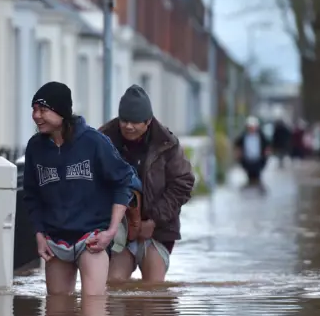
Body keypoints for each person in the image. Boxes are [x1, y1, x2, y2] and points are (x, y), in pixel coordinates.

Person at [22, 81, 141, 296]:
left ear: (61, 112)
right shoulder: (35, 148)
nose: (36, 115)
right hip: (55, 242)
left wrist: (111, 232)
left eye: (42, 110)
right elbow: (31, 195)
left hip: (92, 239)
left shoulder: (94, 142)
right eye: (34, 109)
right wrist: (39, 235)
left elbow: (124, 181)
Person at [99, 85, 195, 283]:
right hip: (119, 229)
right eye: (124, 120)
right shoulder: (103, 139)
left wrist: (153, 220)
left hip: (158, 230)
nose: (128, 126)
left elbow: (183, 183)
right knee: (114, 282)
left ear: (148, 121)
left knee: (153, 289)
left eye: (135, 122)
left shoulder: (167, 143)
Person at [234, 116, 271, 185]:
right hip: (247, 159)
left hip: (258, 159)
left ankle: (256, 182)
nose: (252, 129)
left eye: (253, 127)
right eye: (250, 127)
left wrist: (266, 153)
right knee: (249, 173)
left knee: (257, 173)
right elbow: (237, 145)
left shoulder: (261, 136)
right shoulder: (243, 136)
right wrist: (238, 153)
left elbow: (267, 145)